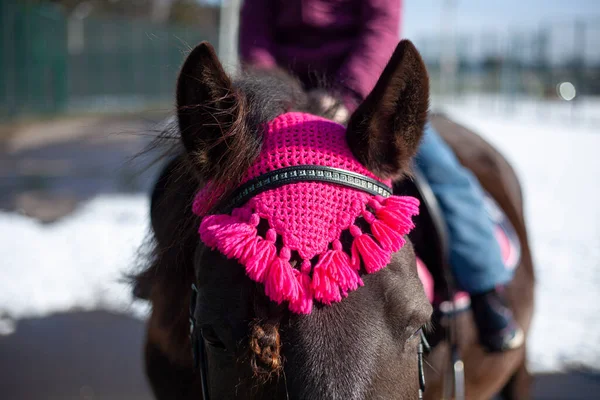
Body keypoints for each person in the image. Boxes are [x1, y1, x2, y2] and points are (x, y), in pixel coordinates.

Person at [238, 0, 523, 352]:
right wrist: (274, 98)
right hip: (281, 101)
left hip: (364, 94)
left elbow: (381, 29)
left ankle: (485, 286)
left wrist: (348, 96)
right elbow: (255, 36)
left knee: (441, 173)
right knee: (196, 169)